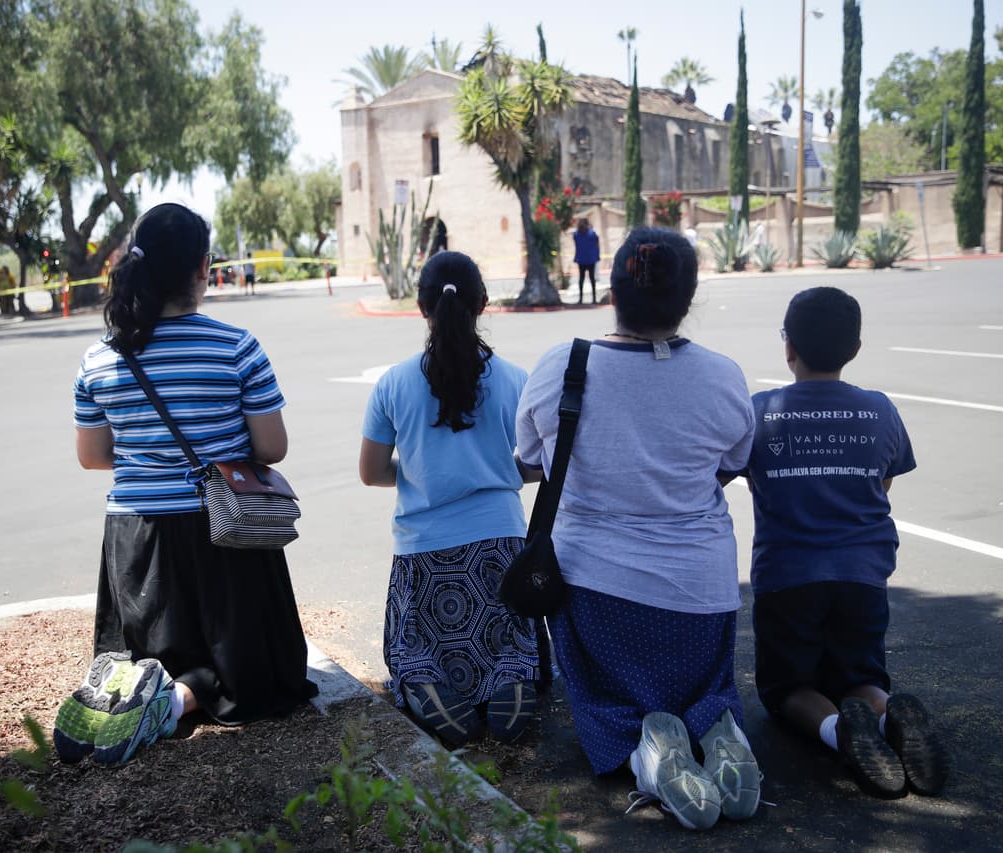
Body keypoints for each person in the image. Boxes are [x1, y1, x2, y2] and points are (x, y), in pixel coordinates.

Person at [515, 227, 760, 831]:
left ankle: (643, 750)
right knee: (704, 686)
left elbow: (527, 461)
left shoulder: (562, 367)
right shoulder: (723, 376)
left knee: (607, 697)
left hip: (597, 594)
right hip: (701, 595)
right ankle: (715, 729)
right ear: (689, 297)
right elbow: (730, 465)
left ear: (613, 292)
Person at [56, 202, 317, 767]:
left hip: (135, 535)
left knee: (150, 648)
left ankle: (134, 689)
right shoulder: (236, 348)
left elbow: (93, 457)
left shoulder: (99, 359)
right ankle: (177, 700)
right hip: (221, 529)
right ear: (203, 268)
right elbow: (271, 448)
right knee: (261, 672)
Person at [741, 286, 951, 799]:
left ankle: (840, 734)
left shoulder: (761, 412)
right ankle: (884, 716)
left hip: (787, 579)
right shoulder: (879, 409)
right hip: (862, 573)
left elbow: (722, 473)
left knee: (788, 689)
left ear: (788, 348)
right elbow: (882, 484)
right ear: (855, 349)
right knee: (860, 675)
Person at [359, 251, 542, 746]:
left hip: (424, 555)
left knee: (418, 643)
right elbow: (534, 465)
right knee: (508, 639)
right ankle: (511, 679)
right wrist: (497, 470)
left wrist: (420, 473)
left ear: (422, 308)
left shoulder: (393, 384)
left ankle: (425, 682)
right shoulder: (516, 380)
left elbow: (371, 472)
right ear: (483, 304)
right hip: (500, 548)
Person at [572, 218, 600, 305]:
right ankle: (594, 298)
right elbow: (596, 241)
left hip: (581, 259)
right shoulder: (592, 234)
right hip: (591, 259)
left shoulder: (576, 234)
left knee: (581, 279)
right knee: (592, 279)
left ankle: (581, 299)